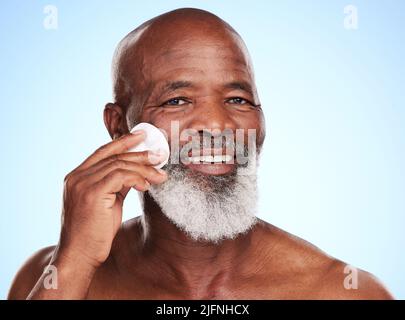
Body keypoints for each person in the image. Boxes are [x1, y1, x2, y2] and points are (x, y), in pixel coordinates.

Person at [8, 8, 393, 300]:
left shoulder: (341, 291)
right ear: (119, 126)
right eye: (177, 100)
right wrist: (74, 263)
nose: (217, 123)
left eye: (238, 99)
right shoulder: (50, 278)